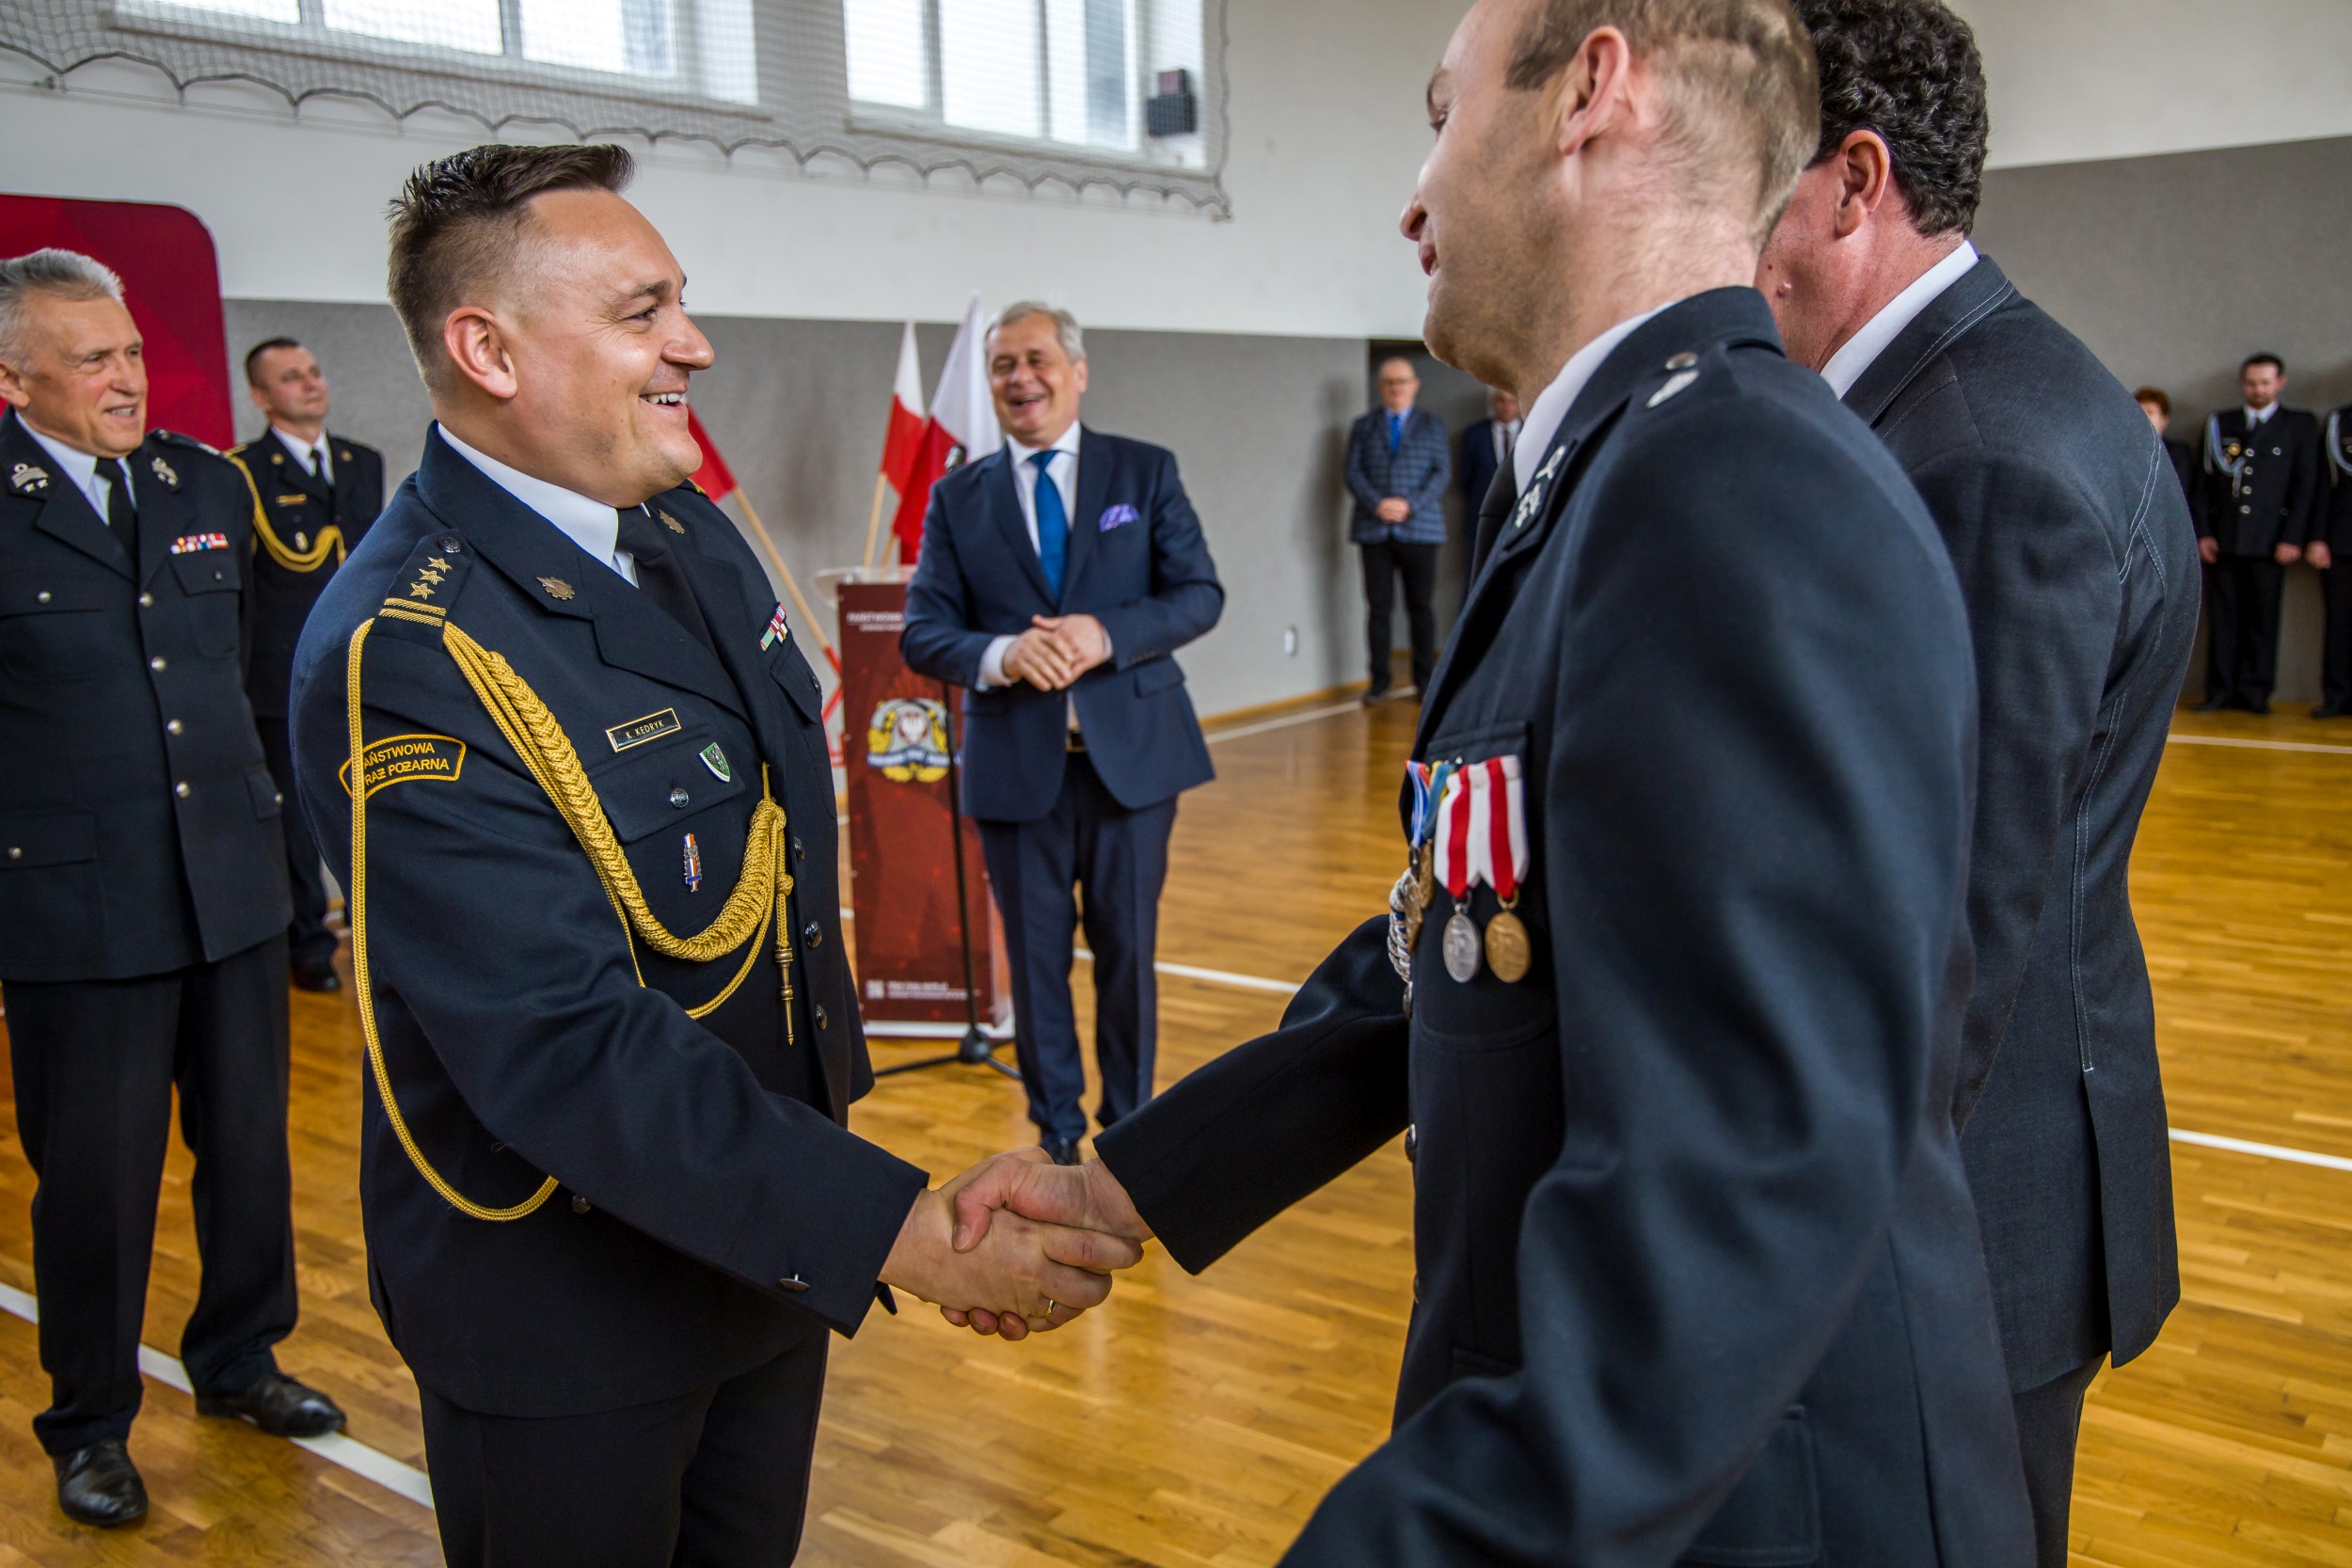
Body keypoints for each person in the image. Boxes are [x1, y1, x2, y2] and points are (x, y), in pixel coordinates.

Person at [948, 0, 2034, 1560]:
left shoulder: (1731, 485)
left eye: (1441, 116)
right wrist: (1139, 1182)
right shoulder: (1617, 472)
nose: (1415, 197)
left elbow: (1736, 1198)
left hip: (1747, 1503)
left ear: (1591, 92)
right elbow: (1463, 929)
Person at [288, 147, 1137, 1568]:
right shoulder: (408, 646)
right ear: (488, 349)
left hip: (759, 1247)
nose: (695, 344)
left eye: (680, 301)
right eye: (645, 312)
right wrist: (905, 1227)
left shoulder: (682, 529)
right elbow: (559, 1040)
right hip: (568, 1306)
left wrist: (842, 1204)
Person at [1755, 4, 2198, 1559]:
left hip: (1965, 1218)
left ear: (1854, 180)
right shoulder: (1965, 398)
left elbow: (1950, 928)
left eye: (1754, 181)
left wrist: (1787, 1250)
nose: (1729, 236)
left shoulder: (1985, 451)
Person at [0, 249, 343, 1529]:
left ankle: (241, 1357)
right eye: (92, 359)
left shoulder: (202, 483)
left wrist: (291, 865)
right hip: (79, 911)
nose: (127, 377)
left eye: (132, 351)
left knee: (249, 1150)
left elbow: (252, 680)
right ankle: (90, 1421)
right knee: (96, 1182)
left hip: (232, 884)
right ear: (14, 378)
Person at [899, 303, 1223, 1167]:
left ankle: (1131, 1133)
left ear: (1077, 372)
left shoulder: (1144, 471)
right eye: (1003, 364)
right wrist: (1004, 654)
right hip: (1015, 770)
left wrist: (1105, 633)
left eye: (1037, 358)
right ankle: (1059, 1140)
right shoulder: (957, 497)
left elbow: (1199, 594)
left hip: (1134, 765)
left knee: (1128, 955)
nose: (1021, 378)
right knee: (1037, 965)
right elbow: (922, 632)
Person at [227, 338, 385, 991]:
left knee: (375, 805)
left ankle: (380, 937)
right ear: (261, 397)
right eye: (291, 377)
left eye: (314, 371)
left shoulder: (360, 461)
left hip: (361, 667)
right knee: (295, 820)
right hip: (281, 676)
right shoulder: (242, 473)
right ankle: (310, 947)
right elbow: (244, 587)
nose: (311, 384)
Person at [2193, 354, 2323, 713]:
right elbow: (2203, 484)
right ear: (2242, 384)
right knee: (2223, 619)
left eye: (2265, 383)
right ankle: (2220, 690)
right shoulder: (2221, 423)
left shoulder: (2297, 425)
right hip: (2225, 537)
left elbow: (2305, 485)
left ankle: (2255, 692)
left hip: (2271, 540)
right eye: (2252, 383)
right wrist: (2203, 532)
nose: (2258, 390)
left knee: (2262, 621)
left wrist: (2293, 537)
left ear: (2280, 383)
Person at [1344, 356, 1450, 702]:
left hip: (1420, 528)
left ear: (1414, 385)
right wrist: (1378, 504)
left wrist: (1409, 505)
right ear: (1381, 388)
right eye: (1390, 382)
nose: (1396, 388)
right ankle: (1379, 681)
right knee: (1378, 609)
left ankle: (1424, 681)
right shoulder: (1364, 426)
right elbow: (1353, 472)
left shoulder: (1432, 425)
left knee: (1421, 607)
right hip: (1374, 529)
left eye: (1402, 381)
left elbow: (1441, 473)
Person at [2322, 402, 2352, 717]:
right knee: (2339, 625)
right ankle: (2337, 696)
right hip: (2343, 539)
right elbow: (2322, 483)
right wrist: (2318, 538)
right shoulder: (2341, 420)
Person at [1456, 386, 1520, 511]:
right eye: (1501, 400)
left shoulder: (1532, 433)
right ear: (1493, 402)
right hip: (1483, 507)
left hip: (1519, 507)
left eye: (1512, 401)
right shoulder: (1475, 434)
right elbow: (1465, 478)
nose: (1507, 406)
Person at [2137, 387, 2198, 503]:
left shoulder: (2179, 454)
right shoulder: (2121, 454)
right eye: (2139, 411)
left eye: (2150, 412)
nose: (2143, 416)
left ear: (2164, 420)